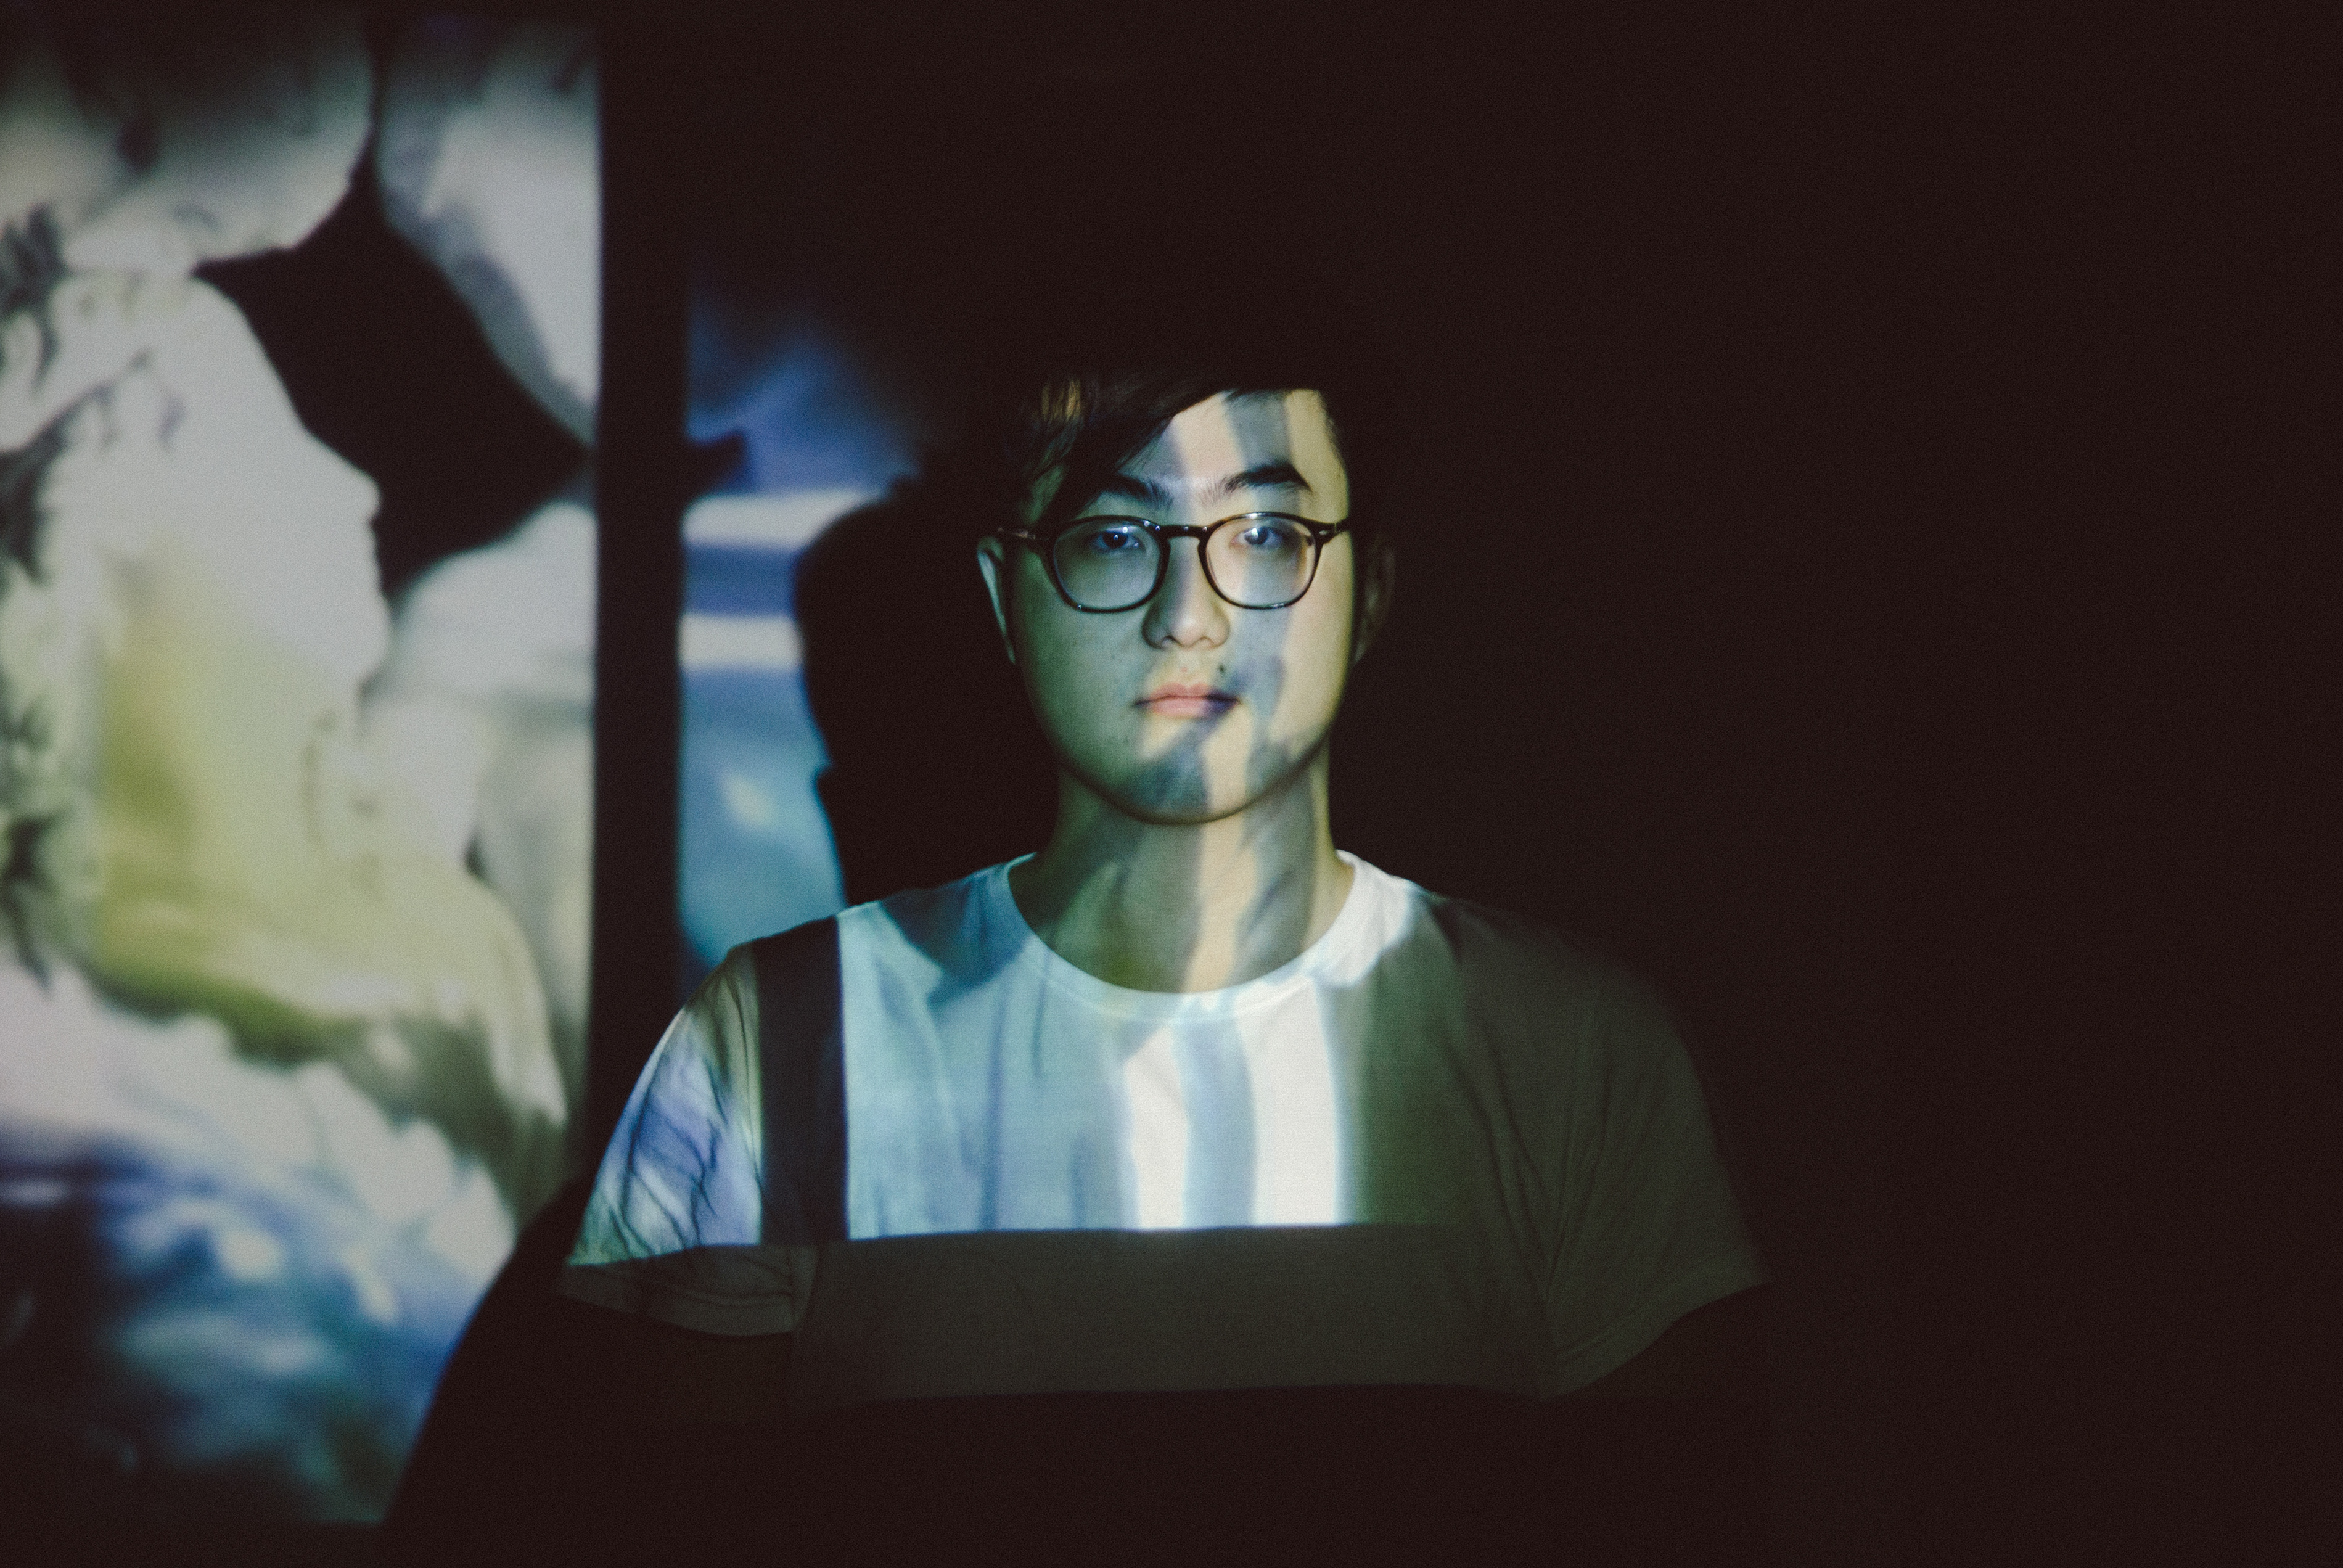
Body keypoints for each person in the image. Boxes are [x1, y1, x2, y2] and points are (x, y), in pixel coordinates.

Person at [404, 341, 1771, 1558]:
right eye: (1116, 537)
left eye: (1269, 534)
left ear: (1370, 590)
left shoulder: (1574, 1048)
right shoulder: (768, 1040)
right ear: (1006, 595)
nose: (1191, 613)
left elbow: (1665, 1513)